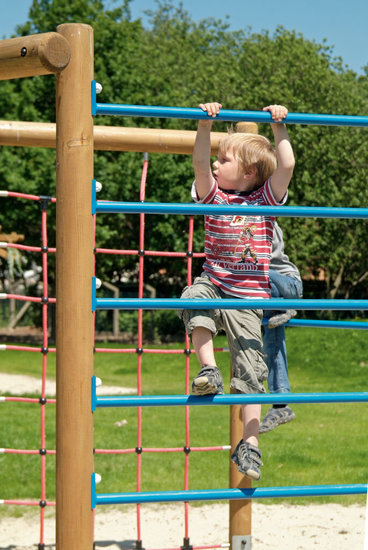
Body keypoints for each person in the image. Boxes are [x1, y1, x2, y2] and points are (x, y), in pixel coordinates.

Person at [178, 101, 295, 480]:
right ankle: (208, 369)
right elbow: (198, 164)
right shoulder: (214, 197)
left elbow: (287, 165)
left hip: (249, 298)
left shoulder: (265, 201)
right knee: (191, 298)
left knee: (249, 370)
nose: (215, 163)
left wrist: (279, 127)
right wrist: (203, 126)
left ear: (247, 171)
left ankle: (250, 444)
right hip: (214, 282)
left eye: (224, 159)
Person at [259, 221, 303, 433]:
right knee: (272, 339)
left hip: (287, 284)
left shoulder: (264, 219)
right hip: (267, 295)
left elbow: (257, 259)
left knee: (255, 271)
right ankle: (280, 404)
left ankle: (286, 306)